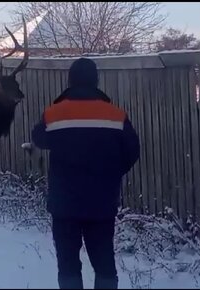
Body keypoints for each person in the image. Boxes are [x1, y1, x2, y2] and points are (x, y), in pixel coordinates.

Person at [31, 58, 140, 289]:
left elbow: (39, 139)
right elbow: (132, 151)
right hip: (101, 204)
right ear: (96, 80)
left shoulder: (54, 114)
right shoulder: (116, 115)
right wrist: (111, 174)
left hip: (64, 205)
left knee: (68, 264)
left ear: (70, 81)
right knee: (104, 263)